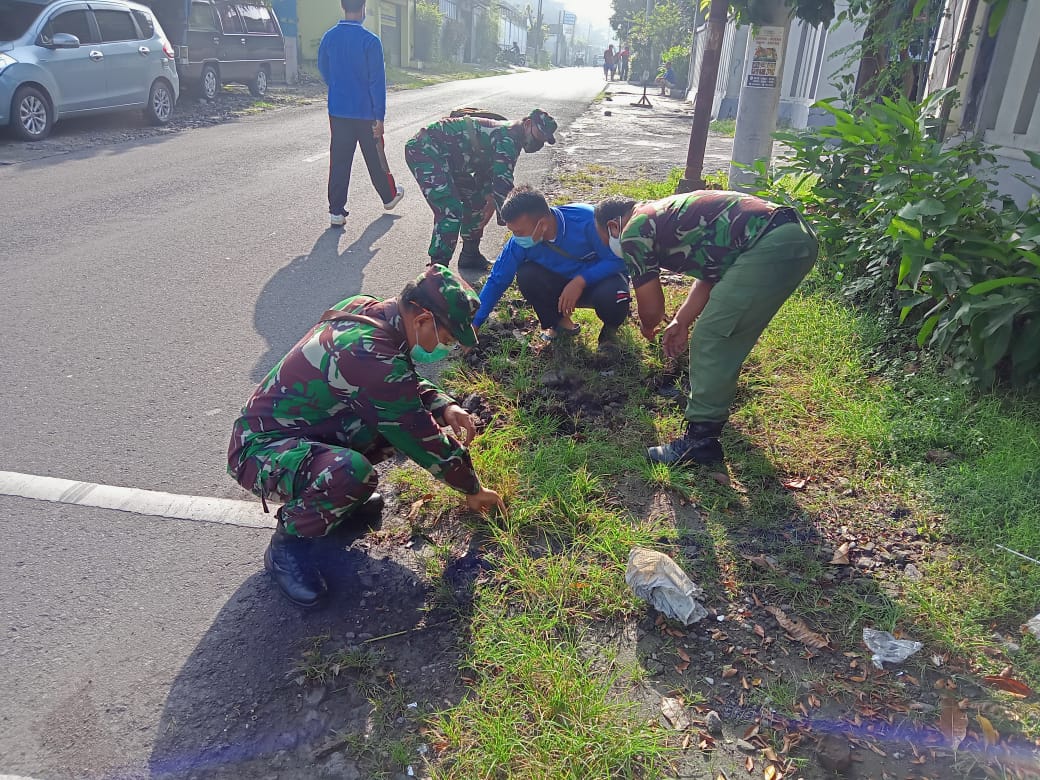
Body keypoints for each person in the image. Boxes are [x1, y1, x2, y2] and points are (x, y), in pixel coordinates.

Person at [228, 265, 505, 608]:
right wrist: (472, 489)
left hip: (299, 433)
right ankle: (289, 545)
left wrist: (444, 405)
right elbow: (419, 435)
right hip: (259, 452)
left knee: (374, 439)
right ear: (421, 320)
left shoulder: (369, 309)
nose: (445, 349)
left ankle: (334, 503)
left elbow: (398, 380)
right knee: (350, 472)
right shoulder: (368, 353)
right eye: (447, 340)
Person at [594, 192, 818, 466]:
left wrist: (647, 326)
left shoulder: (633, 231)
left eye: (607, 242)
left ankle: (700, 442)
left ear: (613, 227)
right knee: (726, 330)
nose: (613, 247)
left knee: (713, 337)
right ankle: (709, 417)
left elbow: (652, 309)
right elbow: (712, 275)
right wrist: (682, 321)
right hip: (792, 234)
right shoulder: (664, 216)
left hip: (770, 242)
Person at [473, 185, 630, 350]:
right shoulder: (518, 243)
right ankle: (559, 324)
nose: (515, 237)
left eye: (519, 231)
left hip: (600, 284)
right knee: (527, 274)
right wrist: (475, 323)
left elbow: (619, 259)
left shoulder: (587, 219)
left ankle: (609, 334)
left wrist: (581, 281)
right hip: (560, 289)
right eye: (512, 231)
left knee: (615, 295)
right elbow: (497, 280)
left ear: (542, 224)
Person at [405, 108, 558, 271]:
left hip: (451, 160)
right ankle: (437, 271)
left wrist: (490, 198)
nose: (539, 142)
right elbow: (503, 183)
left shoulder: (513, 137)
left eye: (544, 139)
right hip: (425, 149)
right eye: (539, 135)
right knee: (450, 209)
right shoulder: (509, 137)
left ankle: (470, 256)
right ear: (528, 124)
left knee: (477, 201)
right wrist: (515, 220)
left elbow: (489, 178)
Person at [318, 0, 405, 229]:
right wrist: (380, 116)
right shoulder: (370, 41)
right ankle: (389, 197)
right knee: (375, 156)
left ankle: (336, 211)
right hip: (366, 112)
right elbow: (377, 82)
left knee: (339, 161)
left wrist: (337, 86)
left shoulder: (329, 37)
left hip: (338, 110)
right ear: (364, 8)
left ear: (343, 7)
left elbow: (323, 68)